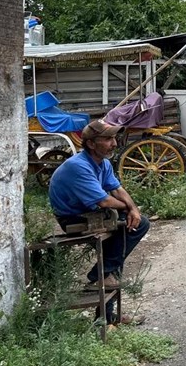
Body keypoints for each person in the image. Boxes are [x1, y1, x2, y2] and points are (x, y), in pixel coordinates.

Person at [48, 118, 150, 325]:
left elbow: (117, 189)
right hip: (72, 218)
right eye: (107, 139)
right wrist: (127, 209)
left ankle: (106, 313)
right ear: (91, 144)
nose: (114, 143)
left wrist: (134, 209)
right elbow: (104, 201)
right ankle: (101, 275)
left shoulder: (102, 163)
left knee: (126, 235)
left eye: (114, 138)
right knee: (124, 237)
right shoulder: (79, 166)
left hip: (90, 212)